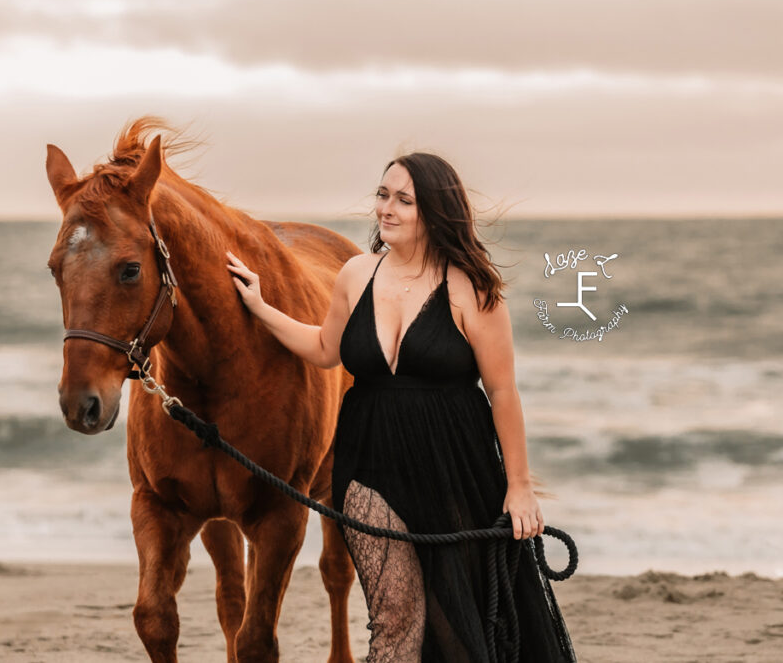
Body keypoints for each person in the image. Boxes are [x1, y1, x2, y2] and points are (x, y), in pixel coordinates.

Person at [225, 153, 577, 662]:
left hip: (454, 468)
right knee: (393, 617)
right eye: (383, 194)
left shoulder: (471, 288)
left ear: (434, 212)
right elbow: (326, 349)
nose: (386, 209)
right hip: (368, 465)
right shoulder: (355, 274)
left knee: (460, 617)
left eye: (404, 200)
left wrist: (519, 488)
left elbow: (503, 392)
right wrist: (260, 307)